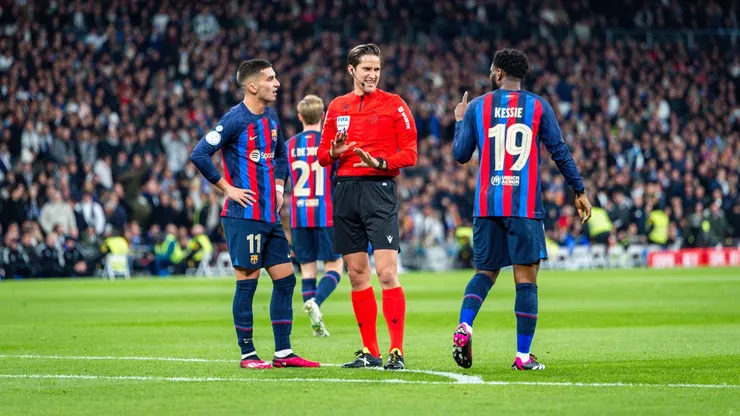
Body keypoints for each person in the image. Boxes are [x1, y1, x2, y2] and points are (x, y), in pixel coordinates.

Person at [451, 49, 592, 371]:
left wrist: (460, 120)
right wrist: (579, 190)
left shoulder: (477, 107)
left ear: (499, 73)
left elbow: (460, 154)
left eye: (491, 69)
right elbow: (559, 151)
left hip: (487, 206)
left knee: (484, 273)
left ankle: (466, 324)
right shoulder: (538, 106)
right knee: (526, 279)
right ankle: (523, 357)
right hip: (524, 206)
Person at [190, 59, 318, 369]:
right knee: (247, 282)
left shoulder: (271, 117)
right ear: (252, 86)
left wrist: (279, 187)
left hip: (270, 216)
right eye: (270, 79)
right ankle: (248, 354)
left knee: (286, 281)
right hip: (243, 215)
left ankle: (283, 353)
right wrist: (227, 188)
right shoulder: (234, 120)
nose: (277, 84)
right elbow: (199, 154)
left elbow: (281, 156)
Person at [317, 44, 418, 370]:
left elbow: (411, 153)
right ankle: (369, 351)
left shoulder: (394, 104)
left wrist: (380, 162)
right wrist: (334, 152)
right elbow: (322, 156)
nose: (373, 75)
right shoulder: (337, 106)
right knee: (357, 274)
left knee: (387, 273)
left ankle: (396, 351)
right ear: (352, 70)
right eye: (367, 69)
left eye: (377, 69)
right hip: (345, 191)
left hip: (379, 190)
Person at [286, 95, 344, 337]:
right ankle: (316, 302)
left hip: (298, 215)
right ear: (323, 116)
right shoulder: (330, 144)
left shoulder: (288, 146)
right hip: (325, 213)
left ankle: (315, 322)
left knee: (307, 270)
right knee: (335, 266)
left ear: (299, 117)